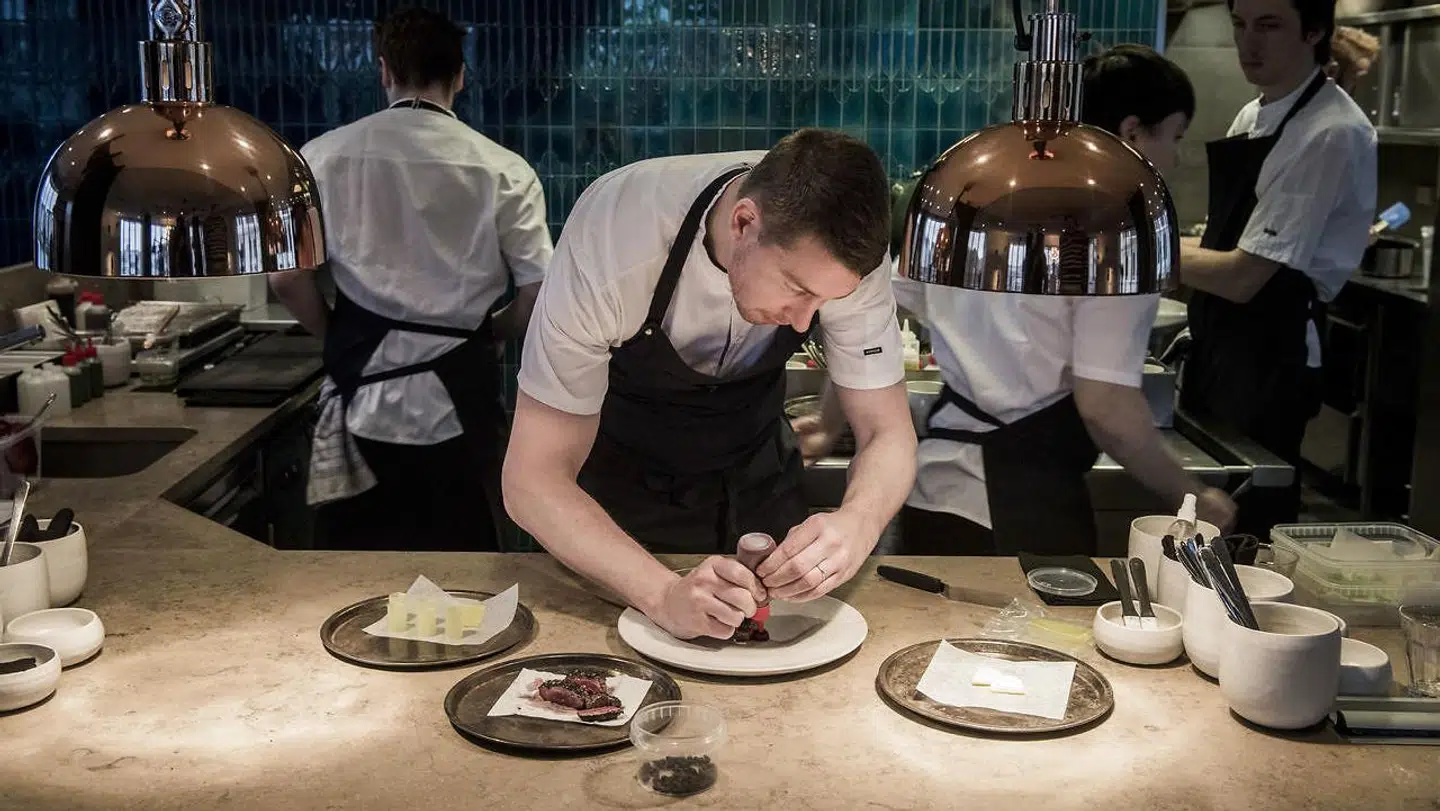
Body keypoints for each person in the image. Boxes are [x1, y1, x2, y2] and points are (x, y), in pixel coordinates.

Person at [503, 129, 917, 641]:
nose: (804, 320)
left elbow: (887, 433)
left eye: (825, 302)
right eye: (796, 290)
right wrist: (659, 593)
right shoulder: (613, 238)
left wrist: (859, 521)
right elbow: (531, 479)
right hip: (623, 519)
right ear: (744, 222)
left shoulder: (844, 260)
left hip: (762, 494)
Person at [891, 44, 1237, 556]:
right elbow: (1107, 408)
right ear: (1132, 133)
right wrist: (1193, 497)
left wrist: (833, 417)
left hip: (931, 494)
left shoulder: (975, 196)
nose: (1176, 156)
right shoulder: (1113, 227)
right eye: (1175, 136)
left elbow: (882, 305)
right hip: (1021, 508)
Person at [270, 7, 554, 551]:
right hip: (460, 404)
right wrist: (493, 332)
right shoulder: (503, 169)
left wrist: (337, 339)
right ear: (461, 75)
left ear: (384, 71)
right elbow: (540, 292)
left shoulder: (321, 158)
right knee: (465, 572)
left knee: (348, 574)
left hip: (361, 401)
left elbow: (287, 280)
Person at [1179, 0, 1377, 537]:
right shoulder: (1257, 112)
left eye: (1269, 25)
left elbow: (1245, 277)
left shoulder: (1331, 131)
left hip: (1272, 351)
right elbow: (1231, 239)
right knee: (1207, 510)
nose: (1250, 43)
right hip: (1224, 341)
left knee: (1249, 519)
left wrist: (1139, 249)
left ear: (1314, 32)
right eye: (1240, 25)